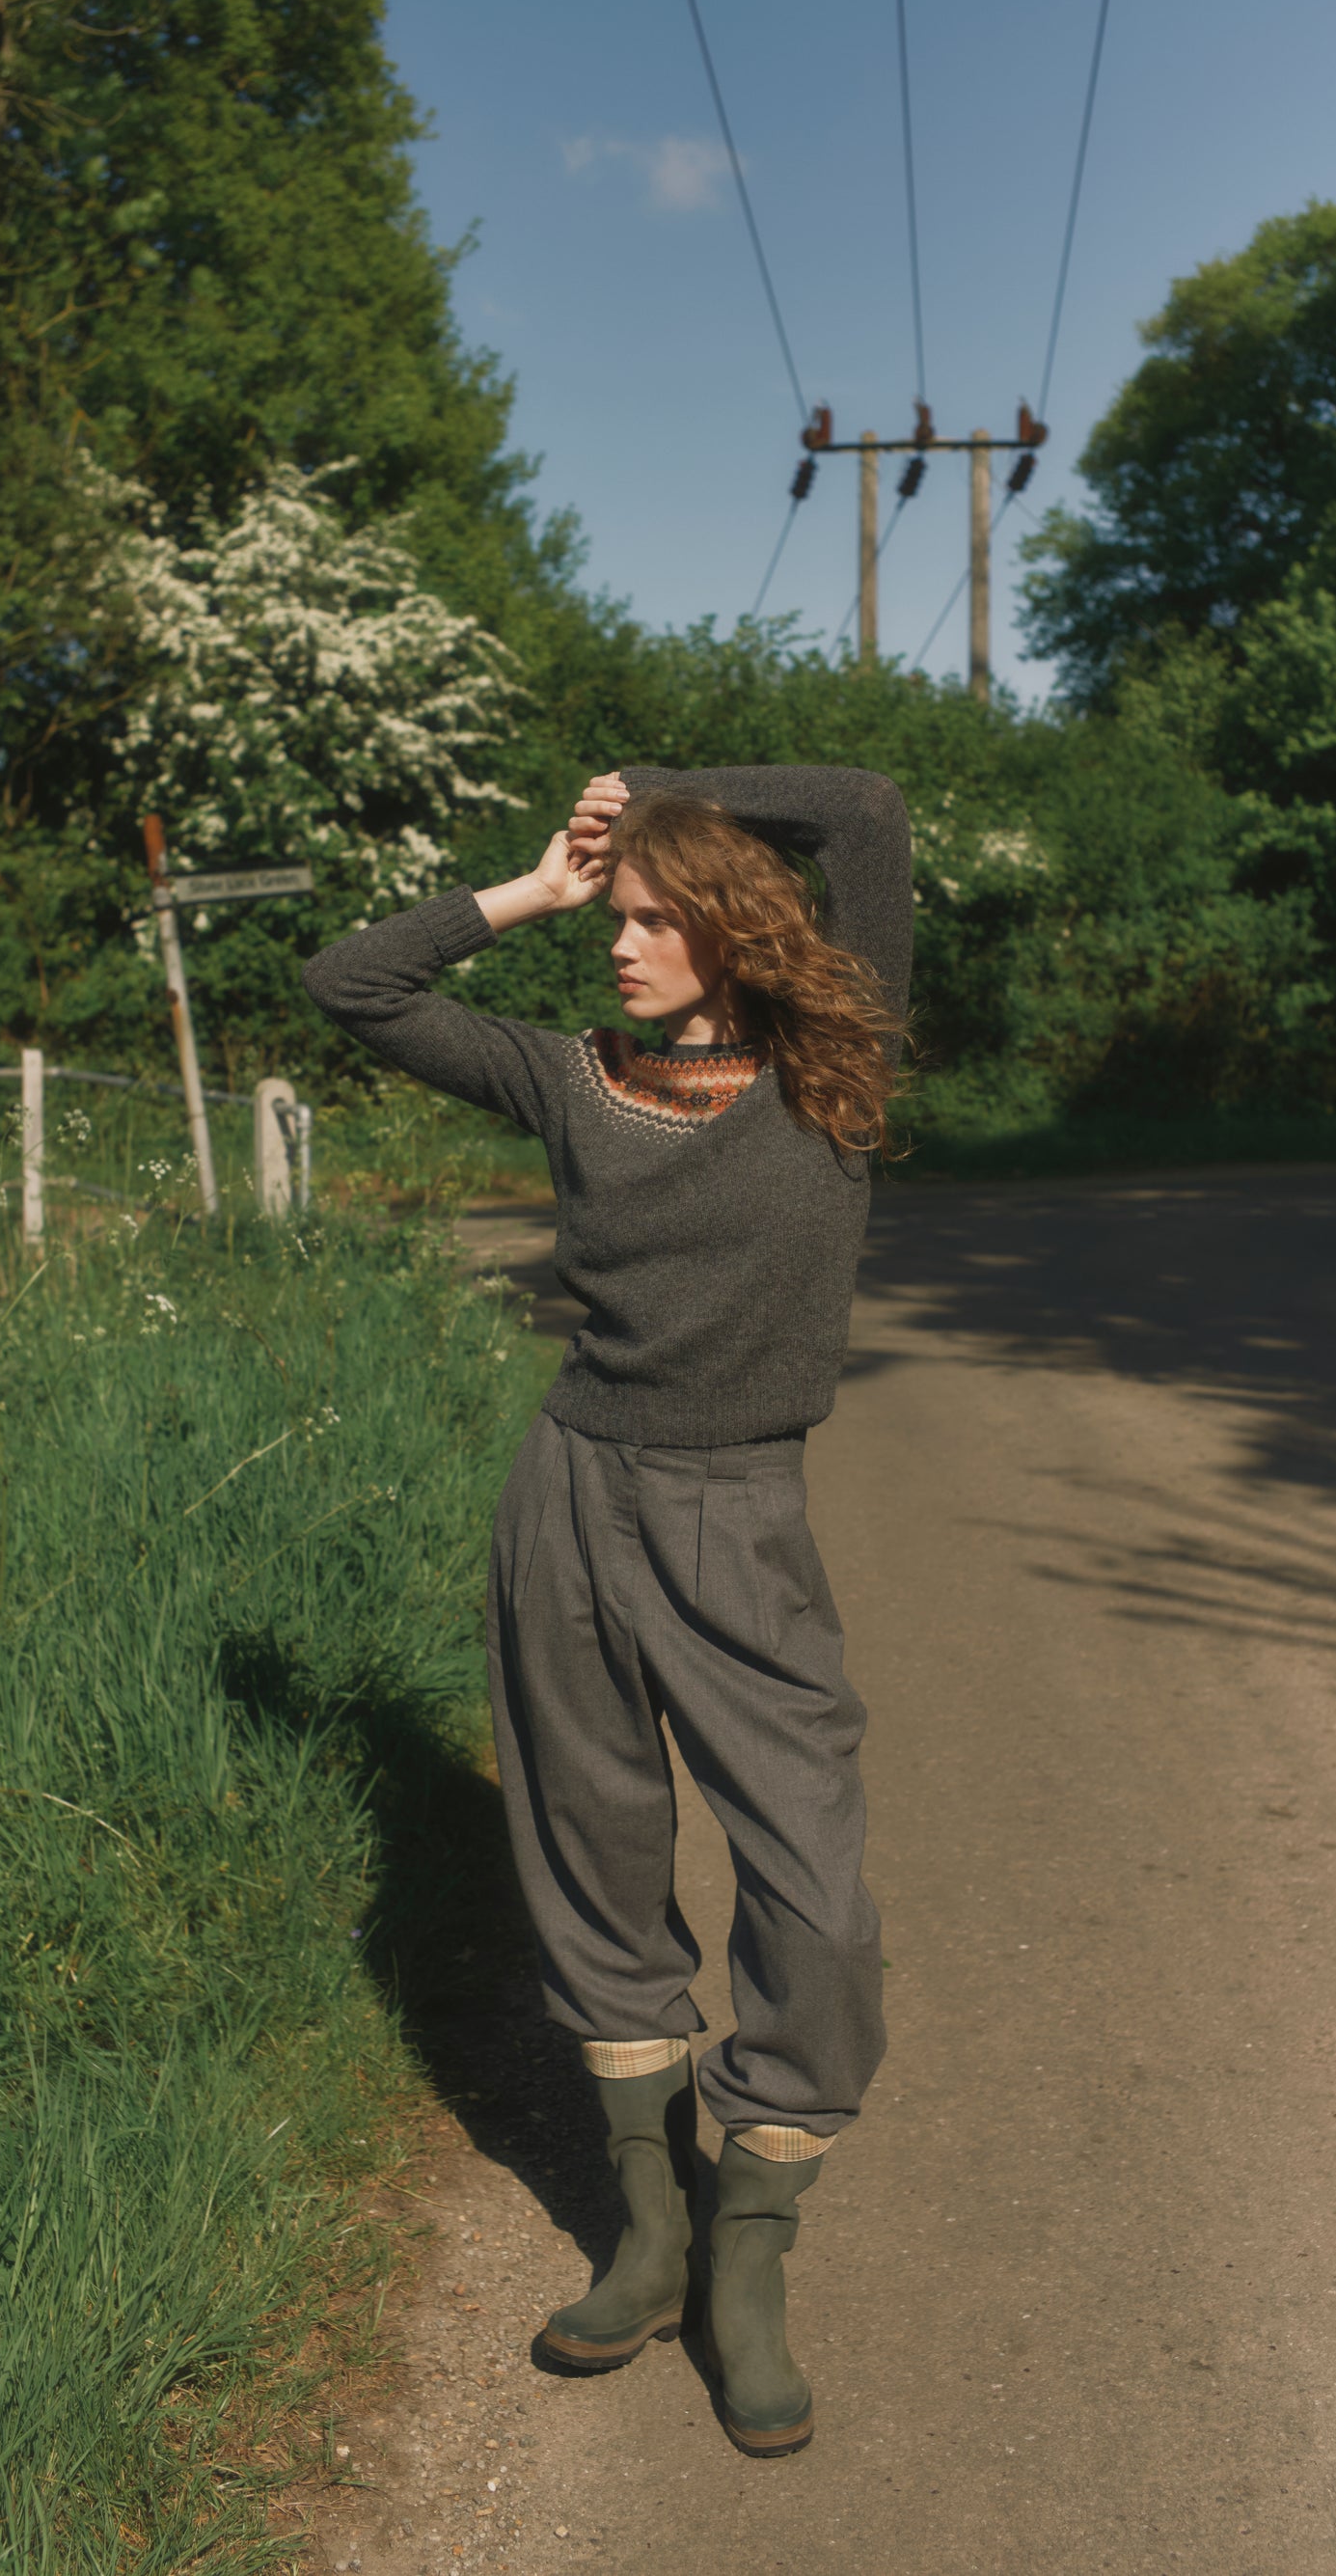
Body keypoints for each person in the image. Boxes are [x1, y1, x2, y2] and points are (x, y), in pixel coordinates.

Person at [302, 762, 912, 2456]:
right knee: (588, 1848)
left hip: (740, 1513)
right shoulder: (568, 1080)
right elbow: (352, 985)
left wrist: (666, 797)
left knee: (814, 1886)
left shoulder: (827, 1083)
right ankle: (649, 2229)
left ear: (730, 929)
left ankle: (751, 2254)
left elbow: (859, 814)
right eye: (619, 919)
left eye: (653, 921)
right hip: (569, 1494)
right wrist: (536, 887)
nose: (624, 947)